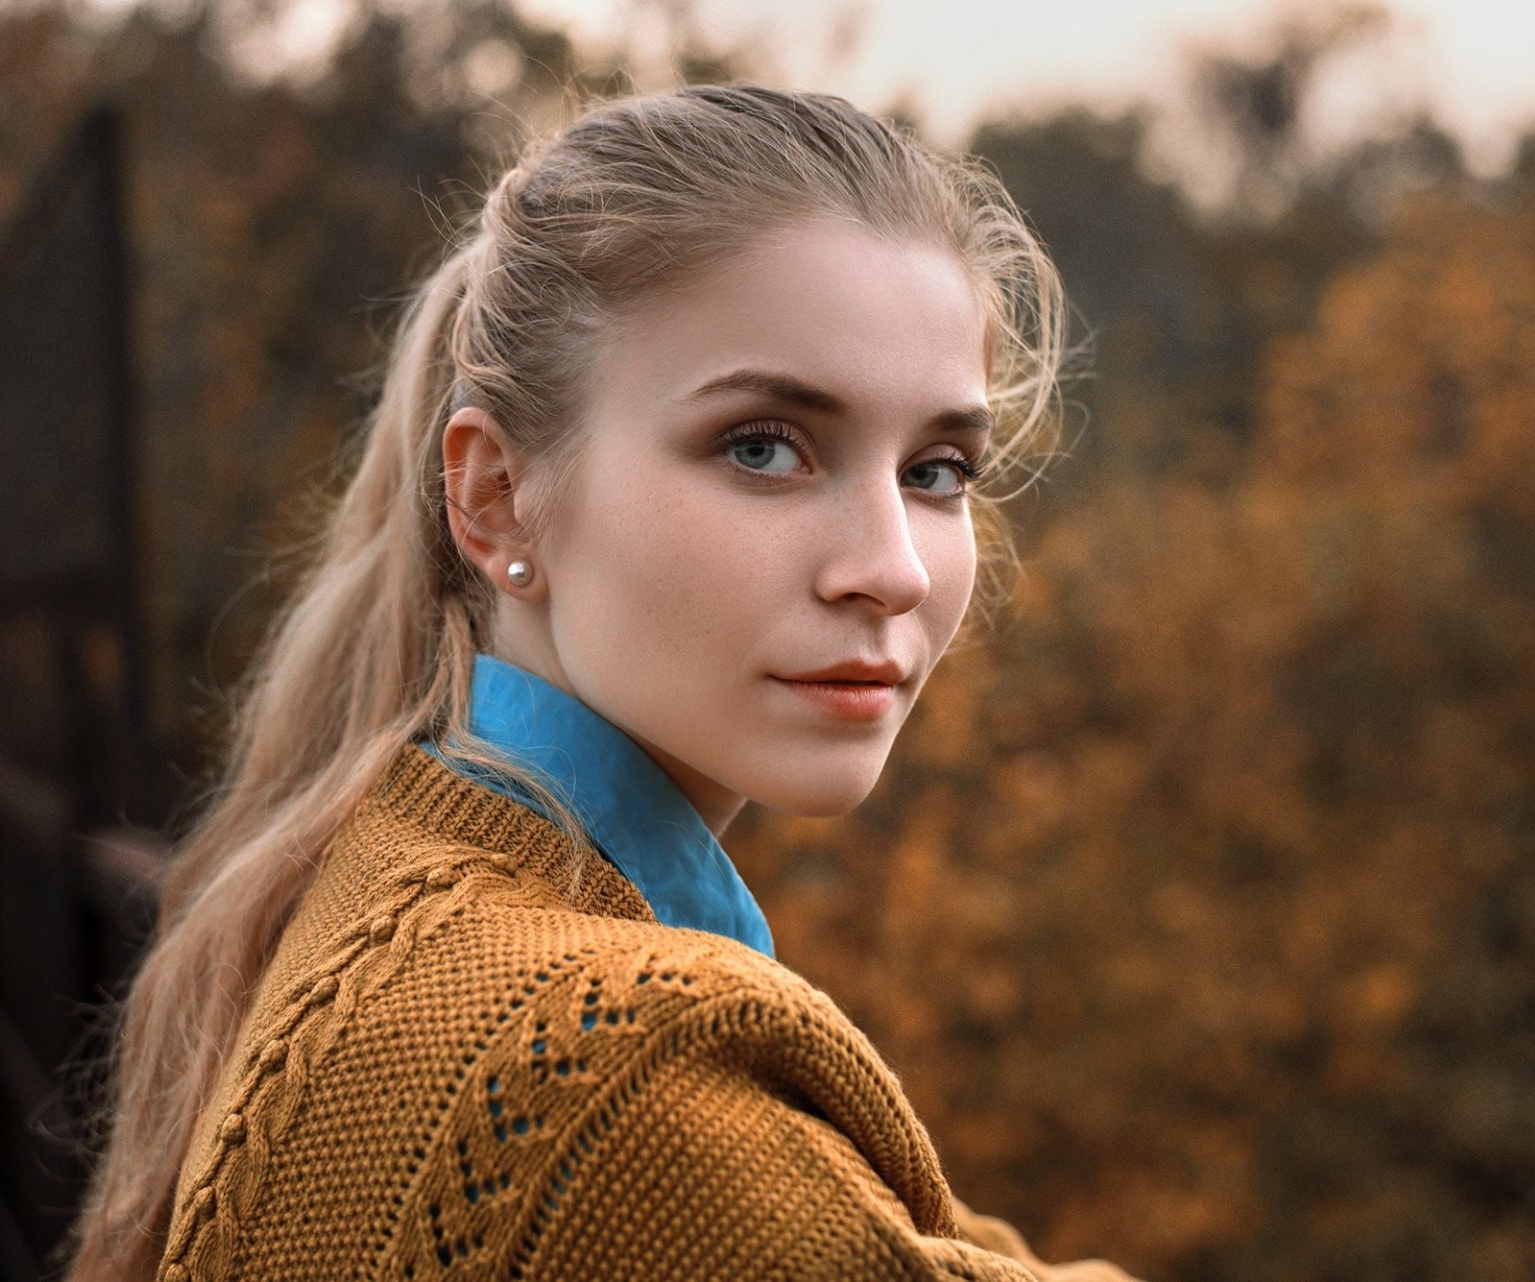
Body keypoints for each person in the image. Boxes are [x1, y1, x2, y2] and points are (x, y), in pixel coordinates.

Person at [65, 83, 1133, 1281]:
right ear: (498, 497)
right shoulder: (619, 1070)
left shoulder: (381, 864)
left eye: (937, 470)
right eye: (763, 448)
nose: (892, 569)